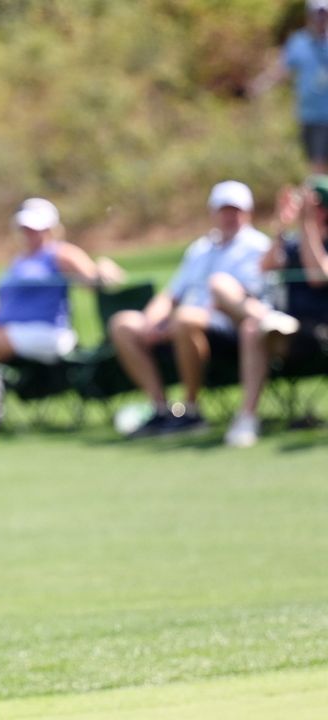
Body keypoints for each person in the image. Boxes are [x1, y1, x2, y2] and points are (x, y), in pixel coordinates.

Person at [109, 181, 272, 437]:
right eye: (224, 210)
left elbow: (239, 299)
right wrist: (151, 323)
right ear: (213, 213)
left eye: (236, 210)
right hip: (183, 324)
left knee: (185, 319)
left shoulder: (257, 246)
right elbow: (171, 294)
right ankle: (162, 409)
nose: (230, 216)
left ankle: (190, 410)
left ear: (248, 212)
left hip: (228, 329)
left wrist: (174, 323)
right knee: (124, 323)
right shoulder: (201, 248)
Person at [217, 181, 328, 447]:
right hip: (288, 328)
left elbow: (318, 277)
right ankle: (247, 418)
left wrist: (307, 225)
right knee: (252, 329)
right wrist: (281, 225)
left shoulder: (314, 238)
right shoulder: (294, 242)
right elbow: (265, 267)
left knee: (259, 328)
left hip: (320, 330)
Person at [0, 198, 123, 363]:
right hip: (11, 329)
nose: (29, 233)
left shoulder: (61, 253)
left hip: (45, 332)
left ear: (50, 228)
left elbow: (95, 279)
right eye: (25, 228)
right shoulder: (19, 260)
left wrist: (103, 267)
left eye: (35, 228)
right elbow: (13, 303)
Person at [249, 0, 328, 174]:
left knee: (319, 163)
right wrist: (260, 85)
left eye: (324, 14)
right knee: (316, 163)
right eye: (318, 14)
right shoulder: (299, 42)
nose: (321, 19)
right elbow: (282, 70)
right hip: (310, 114)